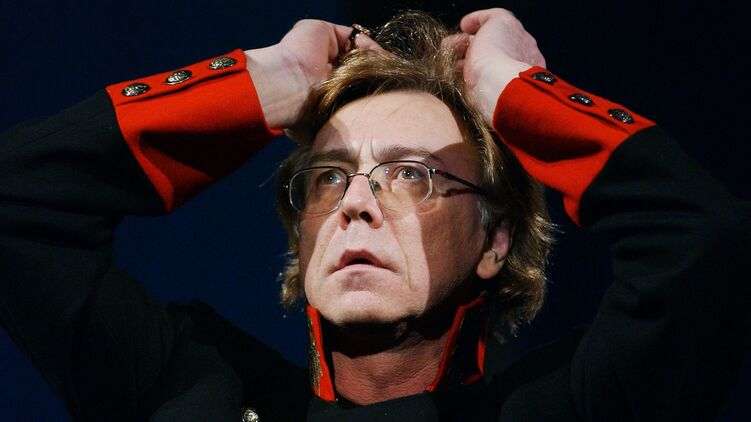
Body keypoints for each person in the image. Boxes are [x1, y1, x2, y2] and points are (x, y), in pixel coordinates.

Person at [0, 7, 748, 421]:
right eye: (329, 177)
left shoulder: (573, 406)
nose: (355, 202)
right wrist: (265, 82)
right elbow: (17, 197)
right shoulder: (193, 387)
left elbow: (702, 236)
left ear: (494, 240)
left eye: (410, 175)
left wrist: (512, 89)